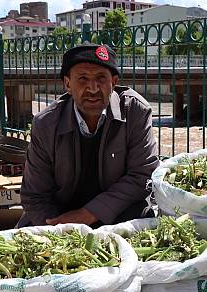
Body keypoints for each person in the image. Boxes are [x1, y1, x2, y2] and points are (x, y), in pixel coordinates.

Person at [18, 43, 159, 227]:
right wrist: (61, 230)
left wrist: (89, 214)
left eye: (101, 78)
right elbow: (35, 195)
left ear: (113, 82)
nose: (93, 88)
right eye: (83, 79)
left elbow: (143, 175)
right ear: (68, 84)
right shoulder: (46, 124)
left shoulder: (135, 112)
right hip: (61, 217)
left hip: (121, 214)